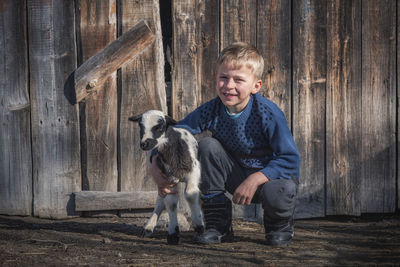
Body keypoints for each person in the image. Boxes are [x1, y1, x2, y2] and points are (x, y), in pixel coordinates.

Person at [150, 42, 300, 246]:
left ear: (256, 86)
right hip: (235, 175)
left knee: (280, 189)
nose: (229, 86)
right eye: (223, 78)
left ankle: (279, 225)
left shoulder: (268, 114)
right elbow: (175, 134)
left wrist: (255, 179)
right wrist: (155, 162)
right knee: (206, 146)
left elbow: (290, 160)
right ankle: (218, 224)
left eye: (238, 80)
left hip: (270, 181)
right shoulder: (212, 110)